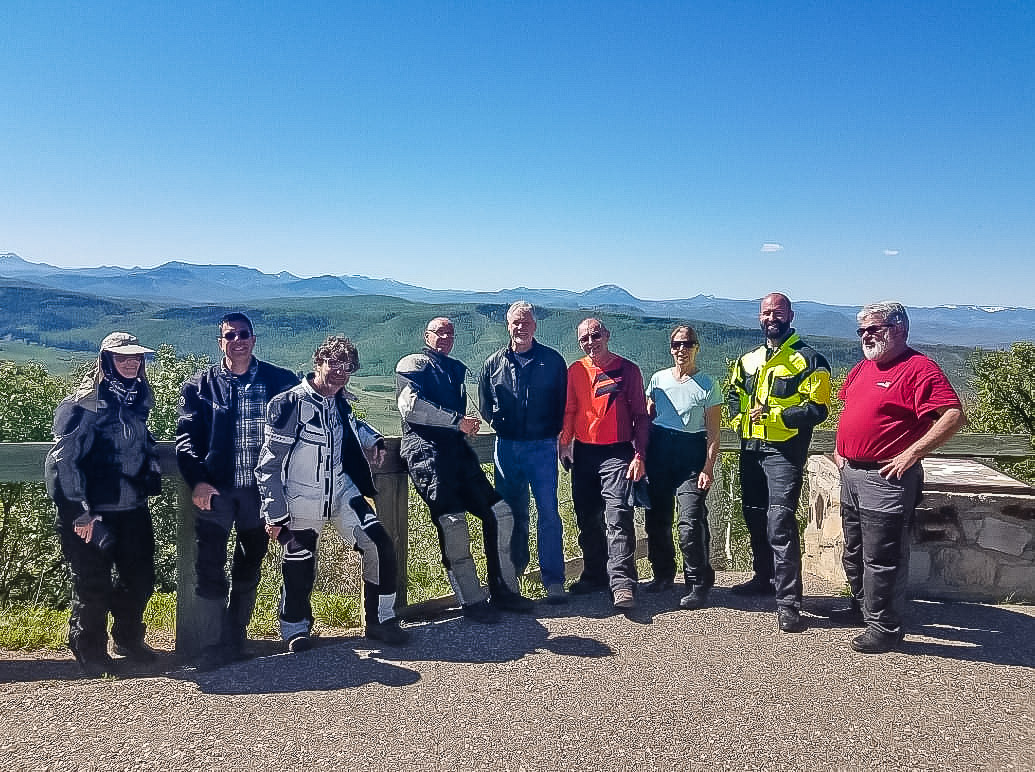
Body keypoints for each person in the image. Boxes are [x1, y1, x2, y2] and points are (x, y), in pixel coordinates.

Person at [256, 336, 409, 652]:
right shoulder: (289, 405)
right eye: (334, 363)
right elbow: (268, 465)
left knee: (379, 543)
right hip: (300, 499)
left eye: (348, 366)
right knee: (299, 561)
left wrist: (375, 439)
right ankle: (295, 628)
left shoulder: (338, 400)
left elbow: (352, 425)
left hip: (342, 493)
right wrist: (274, 513)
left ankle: (381, 621)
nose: (341, 372)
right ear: (318, 362)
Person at [834, 301, 965, 654]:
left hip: (886, 478)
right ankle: (862, 609)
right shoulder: (863, 368)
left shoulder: (918, 368)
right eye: (861, 330)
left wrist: (913, 452)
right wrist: (839, 447)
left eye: (874, 328)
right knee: (856, 550)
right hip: (852, 473)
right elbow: (849, 411)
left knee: (882, 556)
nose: (866, 336)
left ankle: (885, 627)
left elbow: (952, 415)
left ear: (900, 328)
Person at [176, 312, 299, 669]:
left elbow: (317, 414)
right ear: (221, 342)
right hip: (216, 492)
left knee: (249, 564)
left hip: (260, 494)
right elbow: (186, 440)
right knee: (210, 565)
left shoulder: (280, 381)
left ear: (254, 339)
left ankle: (235, 638)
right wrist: (197, 479)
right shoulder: (200, 386)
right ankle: (212, 644)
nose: (238, 340)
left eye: (244, 334)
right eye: (231, 335)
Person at [396, 316, 533, 623]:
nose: (445, 337)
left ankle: (505, 591)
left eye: (450, 333)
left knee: (500, 513)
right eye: (438, 332)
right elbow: (410, 407)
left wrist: (461, 424)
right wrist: (455, 421)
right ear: (426, 335)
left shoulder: (454, 368)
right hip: (427, 453)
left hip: (459, 453)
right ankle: (472, 600)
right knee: (453, 522)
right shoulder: (413, 364)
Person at [45, 332, 162, 676]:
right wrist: (78, 512)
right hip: (90, 513)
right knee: (92, 583)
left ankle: (127, 638)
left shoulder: (137, 398)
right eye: (122, 357)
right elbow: (63, 461)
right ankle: (89, 649)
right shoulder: (84, 404)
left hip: (131, 507)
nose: (131, 363)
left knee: (139, 578)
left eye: (136, 358)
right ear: (106, 360)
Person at [727, 293, 831, 633]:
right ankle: (762, 577)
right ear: (759, 317)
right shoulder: (749, 359)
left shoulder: (809, 360)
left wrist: (773, 414)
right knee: (754, 515)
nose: (772, 318)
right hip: (750, 447)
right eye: (766, 312)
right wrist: (736, 418)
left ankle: (789, 603)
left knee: (780, 522)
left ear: (790, 315)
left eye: (778, 312)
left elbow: (817, 409)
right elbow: (734, 394)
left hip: (783, 452)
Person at [478, 301, 569, 603]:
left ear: (535, 325)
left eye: (526, 322)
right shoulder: (493, 363)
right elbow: (485, 402)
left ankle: (553, 581)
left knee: (548, 513)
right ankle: (512, 578)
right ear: (508, 325)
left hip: (543, 446)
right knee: (511, 513)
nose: (521, 327)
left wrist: (556, 435)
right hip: (506, 447)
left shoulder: (553, 361)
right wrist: (501, 425)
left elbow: (563, 403)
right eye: (516, 322)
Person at [559, 318, 649, 610]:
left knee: (618, 515)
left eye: (595, 336)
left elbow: (640, 416)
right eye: (584, 339)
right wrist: (565, 444)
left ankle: (622, 583)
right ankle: (595, 574)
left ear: (607, 335)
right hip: (584, 452)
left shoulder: (628, 370)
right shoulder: (576, 370)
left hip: (617, 452)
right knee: (587, 517)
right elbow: (570, 409)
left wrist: (639, 455)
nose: (590, 343)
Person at [643, 324, 722, 610]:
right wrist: (639, 454)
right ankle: (663, 573)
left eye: (687, 344)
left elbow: (713, 432)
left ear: (696, 347)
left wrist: (708, 466)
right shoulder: (658, 380)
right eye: (677, 344)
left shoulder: (707, 385)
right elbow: (646, 419)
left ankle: (697, 581)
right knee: (657, 520)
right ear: (670, 348)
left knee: (689, 522)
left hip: (691, 457)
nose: (682, 350)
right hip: (660, 453)